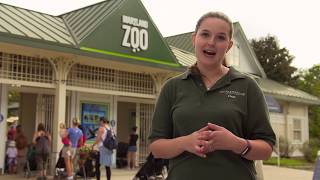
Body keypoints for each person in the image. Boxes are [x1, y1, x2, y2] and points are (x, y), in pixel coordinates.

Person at [148, 12, 276, 180]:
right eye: (205, 34)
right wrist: (185, 142)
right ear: (194, 39)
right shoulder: (172, 87)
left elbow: (266, 148)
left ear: (229, 46)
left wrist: (236, 144)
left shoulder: (247, 86)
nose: (211, 42)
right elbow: (156, 147)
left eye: (220, 38)